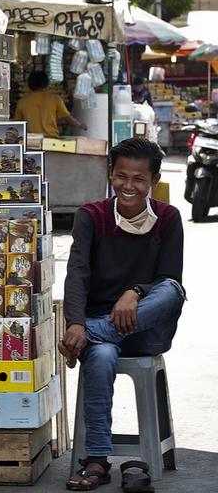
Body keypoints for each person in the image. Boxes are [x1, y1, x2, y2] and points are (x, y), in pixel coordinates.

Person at [61, 139, 185, 491]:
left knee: (172, 292)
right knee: (99, 357)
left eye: (139, 179)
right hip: (100, 322)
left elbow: (170, 276)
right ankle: (97, 460)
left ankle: (93, 333)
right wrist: (74, 321)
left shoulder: (168, 218)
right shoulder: (91, 216)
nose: (128, 186)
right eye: (121, 177)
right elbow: (78, 274)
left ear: (154, 180)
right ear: (110, 174)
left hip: (148, 326)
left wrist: (135, 292)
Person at [14, 71, 87, 137]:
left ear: (29, 84)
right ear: (46, 84)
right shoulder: (55, 99)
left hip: (31, 141)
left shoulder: (22, 102)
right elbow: (68, 118)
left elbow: (18, 124)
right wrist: (80, 125)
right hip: (51, 140)